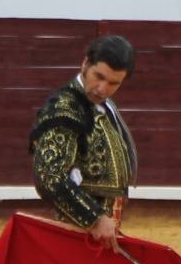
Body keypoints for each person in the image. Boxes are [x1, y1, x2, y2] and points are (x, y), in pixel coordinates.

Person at [29, 33, 137, 248]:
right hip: (77, 234)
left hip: (98, 234)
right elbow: (49, 177)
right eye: (99, 76)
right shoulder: (65, 108)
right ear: (85, 63)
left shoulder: (103, 105)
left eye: (113, 83)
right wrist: (94, 218)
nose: (102, 89)